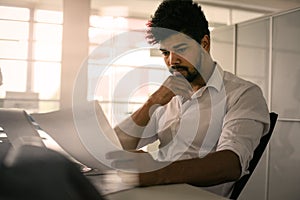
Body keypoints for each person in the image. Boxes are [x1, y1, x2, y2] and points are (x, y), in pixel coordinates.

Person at [107, 0, 270, 198]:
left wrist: (155, 172)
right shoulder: (166, 95)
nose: (172, 61)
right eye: (165, 52)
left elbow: (231, 164)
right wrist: (153, 101)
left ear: (205, 44)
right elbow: (112, 147)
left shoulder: (243, 94)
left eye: (181, 49)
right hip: (154, 194)